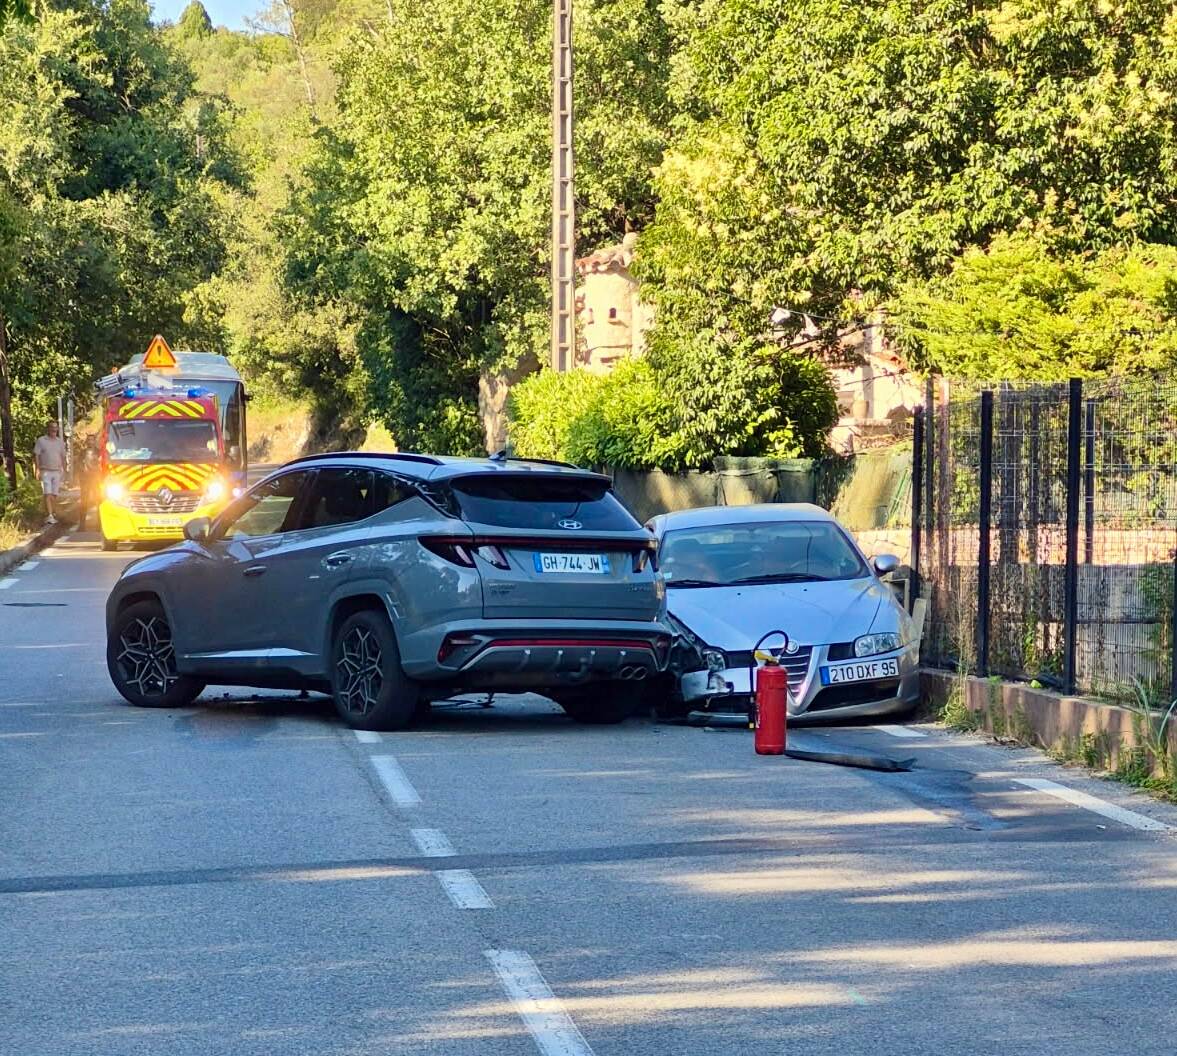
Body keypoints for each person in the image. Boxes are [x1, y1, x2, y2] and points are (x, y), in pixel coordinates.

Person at [33, 422, 67, 525]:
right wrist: (37, 470)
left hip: (57, 471)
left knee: (54, 494)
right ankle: (50, 515)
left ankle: (52, 512)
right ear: (48, 429)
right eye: (52, 428)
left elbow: (63, 457)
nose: (54, 430)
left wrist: (65, 470)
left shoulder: (60, 442)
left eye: (56, 428)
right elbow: (36, 456)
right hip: (45, 471)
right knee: (47, 493)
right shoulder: (41, 441)